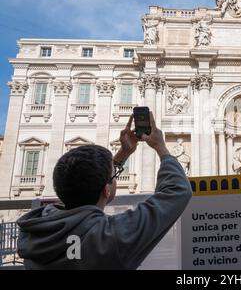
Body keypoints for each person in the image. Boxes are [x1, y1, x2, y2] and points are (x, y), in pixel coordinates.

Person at [16, 113, 192, 269]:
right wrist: (161, 148)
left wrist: (122, 155)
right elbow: (177, 190)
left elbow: (85, 184)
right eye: (112, 176)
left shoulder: (33, 230)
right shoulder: (111, 237)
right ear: (106, 190)